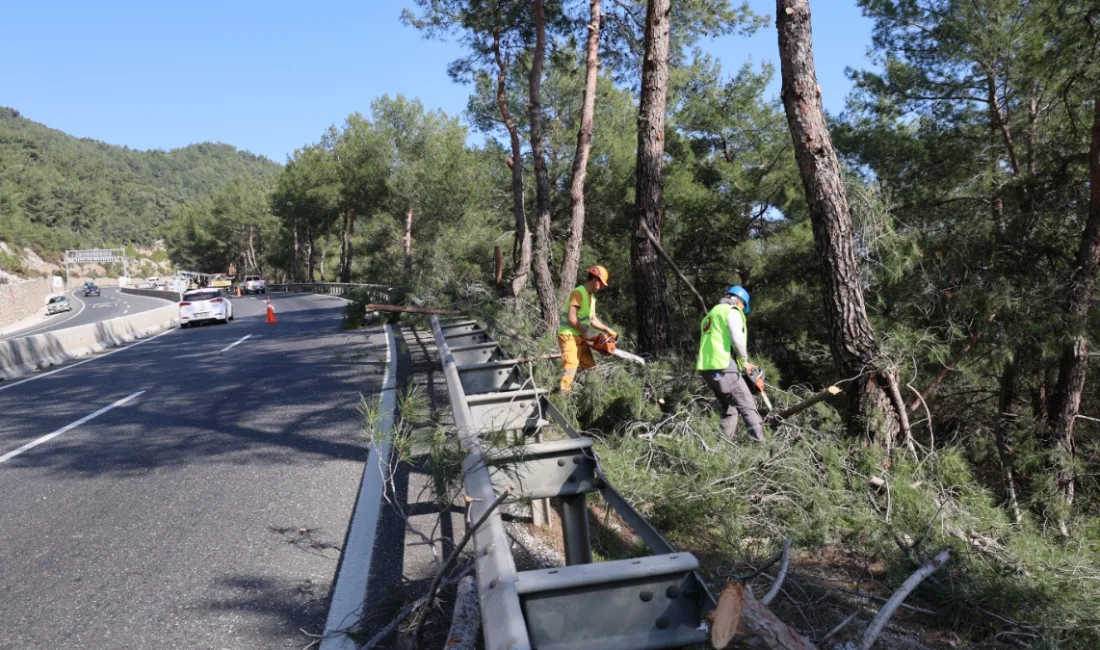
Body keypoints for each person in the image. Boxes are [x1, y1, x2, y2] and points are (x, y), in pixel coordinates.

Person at [696, 285, 765, 442]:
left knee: (730, 409)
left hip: (707, 369)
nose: (742, 309)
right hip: (723, 366)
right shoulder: (732, 311)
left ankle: (721, 450)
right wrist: (745, 362)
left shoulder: (711, 315)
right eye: (743, 306)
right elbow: (737, 339)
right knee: (748, 406)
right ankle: (762, 448)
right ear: (738, 301)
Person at [557, 265, 617, 393]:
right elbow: (572, 318)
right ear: (596, 279)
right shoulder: (578, 293)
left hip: (580, 337)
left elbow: (592, 319)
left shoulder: (592, 298)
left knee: (591, 368)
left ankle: (589, 396)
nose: (602, 287)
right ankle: (562, 397)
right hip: (568, 336)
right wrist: (588, 333)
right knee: (571, 366)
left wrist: (606, 329)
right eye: (601, 284)